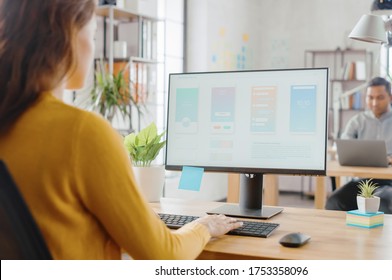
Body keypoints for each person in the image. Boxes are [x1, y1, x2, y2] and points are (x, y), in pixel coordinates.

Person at [0, 0, 242, 259]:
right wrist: (203, 226)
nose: (92, 48)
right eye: (93, 34)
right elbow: (164, 256)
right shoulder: (81, 133)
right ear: (70, 34)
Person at [326, 77, 392, 214]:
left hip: (391, 184)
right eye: (370, 97)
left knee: (381, 204)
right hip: (361, 182)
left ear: (391, 98)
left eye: (380, 97)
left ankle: (377, 236)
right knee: (334, 201)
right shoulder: (357, 121)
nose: (374, 103)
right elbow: (344, 148)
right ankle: (341, 236)